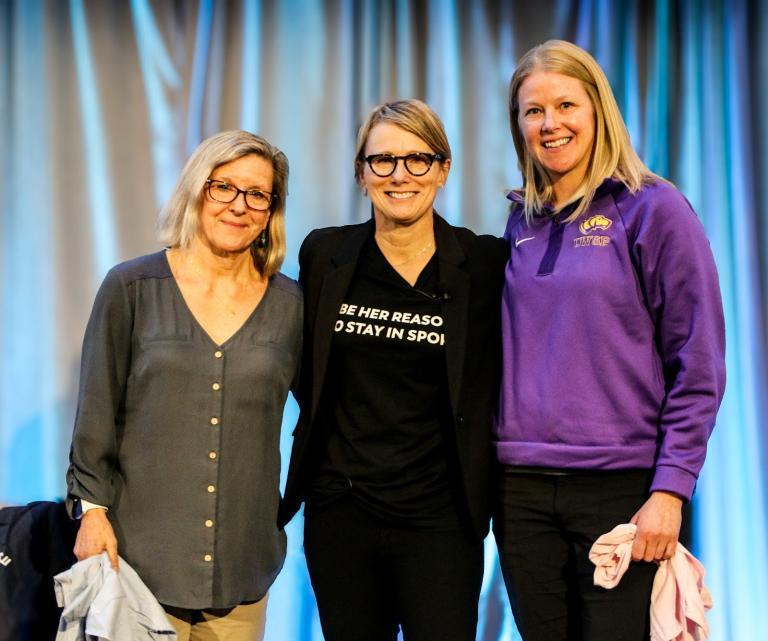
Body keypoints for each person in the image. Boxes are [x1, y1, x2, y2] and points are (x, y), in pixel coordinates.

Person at [492, 40, 726, 641]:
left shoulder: (654, 209)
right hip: (521, 490)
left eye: (566, 105)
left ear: (598, 109)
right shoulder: (521, 221)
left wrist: (670, 489)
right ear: (518, 125)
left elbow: (698, 363)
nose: (550, 124)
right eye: (534, 111)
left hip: (622, 490)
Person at [278, 99, 508, 641]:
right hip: (341, 514)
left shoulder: (483, 264)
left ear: (443, 169)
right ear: (362, 173)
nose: (399, 175)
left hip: (441, 518)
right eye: (382, 160)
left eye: (417, 159)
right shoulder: (325, 255)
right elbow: (306, 371)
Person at [66, 130, 301, 641]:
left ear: (271, 211)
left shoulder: (291, 305)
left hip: (242, 568)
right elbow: (95, 413)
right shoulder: (131, 287)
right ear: (197, 189)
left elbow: (329, 415)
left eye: (257, 194)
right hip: (135, 566)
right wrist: (91, 513)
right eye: (224, 187)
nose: (239, 205)